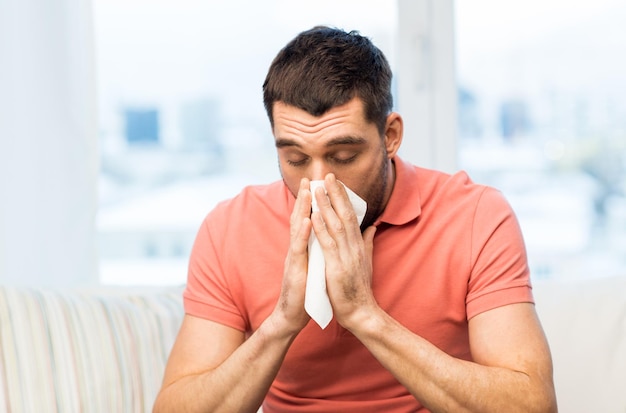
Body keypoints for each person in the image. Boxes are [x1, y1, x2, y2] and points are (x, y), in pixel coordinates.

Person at [153, 26, 557, 413]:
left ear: (390, 136)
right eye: (294, 158)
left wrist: (365, 316)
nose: (317, 183)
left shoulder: (475, 216)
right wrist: (281, 323)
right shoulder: (230, 229)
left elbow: (532, 406)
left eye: (343, 156)